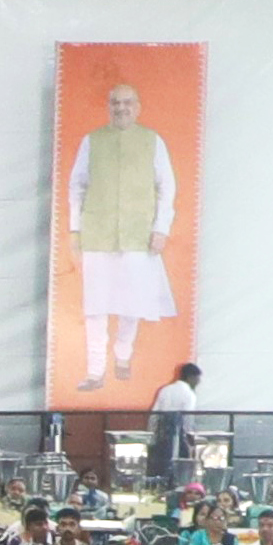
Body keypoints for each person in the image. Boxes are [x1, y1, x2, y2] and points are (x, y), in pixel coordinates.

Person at [63, 77, 181, 389]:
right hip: (98, 232)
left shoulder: (153, 141)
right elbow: (77, 185)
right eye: (116, 103)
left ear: (138, 107)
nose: (121, 108)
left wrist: (161, 228)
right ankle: (95, 370)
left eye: (128, 103)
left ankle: (123, 354)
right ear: (108, 107)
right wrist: (75, 228)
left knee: (133, 301)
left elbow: (166, 187)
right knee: (96, 304)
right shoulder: (92, 140)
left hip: (137, 234)